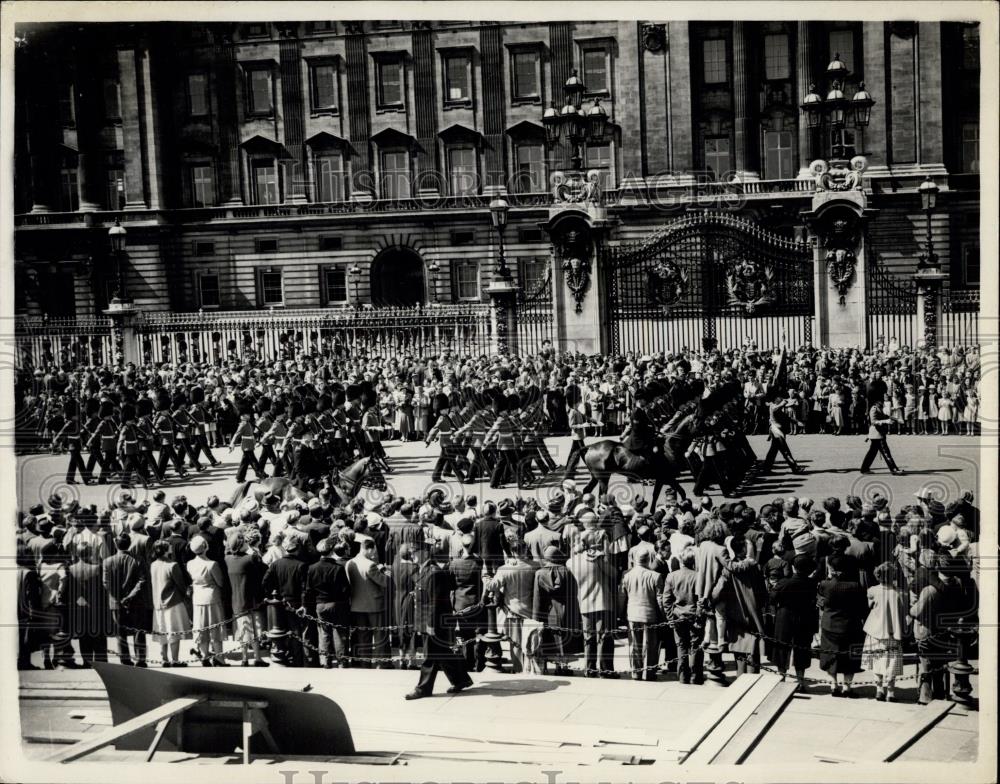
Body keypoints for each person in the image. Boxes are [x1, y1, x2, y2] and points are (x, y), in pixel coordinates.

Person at [406, 540, 474, 700]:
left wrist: (430, 624)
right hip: (427, 620)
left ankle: (423, 689)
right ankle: (462, 680)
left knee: (429, 656)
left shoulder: (434, 572)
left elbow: (435, 602)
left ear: (424, 552)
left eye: (414, 551)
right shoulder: (424, 570)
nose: (412, 554)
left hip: (434, 621)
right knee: (443, 653)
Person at [568, 529, 618, 678]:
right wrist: (602, 557)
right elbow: (613, 574)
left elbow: (571, 558)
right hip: (602, 601)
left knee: (588, 638)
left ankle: (589, 669)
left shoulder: (572, 562)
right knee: (604, 637)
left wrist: (576, 550)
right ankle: (605, 669)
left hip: (584, 602)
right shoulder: (599, 560)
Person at [816, 554, 868, 697]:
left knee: (831, 655)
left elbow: (821, 604)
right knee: (850, 657)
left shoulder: (825, 585)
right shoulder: (856, 586)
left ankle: (833, 684)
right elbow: (863, 608)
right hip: (851, 625)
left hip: (830, 624)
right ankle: (847, 687)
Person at [861, 561, 909, 702]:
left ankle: (879, 690)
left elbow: (870, 606)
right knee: (892, 662)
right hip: (894, 633)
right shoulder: (901, 593)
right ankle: (891, 692)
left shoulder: (872, 591)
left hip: (875, 631)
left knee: (877, 661)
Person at [102, 532, 150, 667]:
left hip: (116, 602)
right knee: (138, 631)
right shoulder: (138, 559)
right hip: (136, 601)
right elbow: (142, 581)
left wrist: (118, 598)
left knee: (120, 632)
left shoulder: (107, 561)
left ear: (115, 545)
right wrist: (129, 597)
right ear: (129, 544)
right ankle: (141, 659)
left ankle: (125, 659)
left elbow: (106, 583)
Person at [771, 554, 817, 689]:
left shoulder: (784, 583)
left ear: (793, 567)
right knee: (801, 648)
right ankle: (801, 681)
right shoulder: (812, 584)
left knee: (781, 648)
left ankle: (781, 678)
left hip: (784, 617)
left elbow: (772, 599)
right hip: (804, 618)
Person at [660, 545, 704, 684]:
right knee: (695, 646)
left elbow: (666, 600)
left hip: (678, 616)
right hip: (694, 616)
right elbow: (701, 600)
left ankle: (683, 677)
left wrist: (669, 617)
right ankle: (695, 675)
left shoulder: (672, 576)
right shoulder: (698, 577)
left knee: (681, 646)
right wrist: (699, 615)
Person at [306, 538, 352, 669]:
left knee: (324, 633)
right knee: (339, 633)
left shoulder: (312, 568)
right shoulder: (337, 568)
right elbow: (346, 589)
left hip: (320, 604)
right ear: (331, 550)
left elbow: (309, 589)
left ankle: (325, 660)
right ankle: (342, 661)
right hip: (337, 603)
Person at [621, 549, 666, 681]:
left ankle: (636, 672)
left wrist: (621, 613)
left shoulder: (626, 575)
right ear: (649, 560)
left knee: (634, 645)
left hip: (632, 614)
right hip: (649, 615)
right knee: (650, 645)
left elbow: (622, 597)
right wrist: (663, 616)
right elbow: (660, 600)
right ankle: (649, 673)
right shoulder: (655, 576)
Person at [225, 529, 268, 667]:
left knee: (243, 630)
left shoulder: (227, 559)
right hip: (251, 598)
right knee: (253, 630)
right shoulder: (251, 558)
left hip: (236, 599)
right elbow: (262, 572)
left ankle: (245, 658)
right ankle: (256, 657)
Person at [347, 538, 391, 668]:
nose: (373, 554)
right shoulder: (370, 565)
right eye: (373, 551)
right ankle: (381, 663)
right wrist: (385, 572)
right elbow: (384, 582)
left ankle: (364, 662)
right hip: (374, 605)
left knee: (363, 635)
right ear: (369, 549)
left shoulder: (350, 562)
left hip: (356, 605)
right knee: (379, 635)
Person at [187, 535, 228, 667]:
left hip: (197, 598)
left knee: (201, 628)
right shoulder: (212, 564)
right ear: (205, 547)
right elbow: (220, 582)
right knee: (215, 628)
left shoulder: (190, 564)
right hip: (212, 597)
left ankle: (204, 656)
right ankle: (219, 658)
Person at [149, 539, 192, 667]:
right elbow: (181, 584)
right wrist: (186, 595)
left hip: (157, 603)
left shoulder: (153, 565)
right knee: (174, 632)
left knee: (162, 631)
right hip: (173, 602)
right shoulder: (172, 565)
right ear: (165, 549)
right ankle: (175, 659)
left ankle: (165, 659)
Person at [759, 389, 804, 474]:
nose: (781, 398)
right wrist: (782, 403)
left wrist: (797, 422)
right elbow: (775, 409)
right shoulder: (772, 406)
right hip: (776, 431)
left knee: (773, 451)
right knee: (785, 450)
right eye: (779, 397)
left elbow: (787, 417)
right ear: (775, 398)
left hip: (778, 431)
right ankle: (795, 468)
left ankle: (766, 469)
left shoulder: (778, 408)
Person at [860, 395, 903, 475]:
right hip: (876, 434)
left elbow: (885, 416)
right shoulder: (874, 408)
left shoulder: (879, 407)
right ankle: (894, 469)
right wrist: (885, 421)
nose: (883, 400)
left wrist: (896, 419)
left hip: (877, 434)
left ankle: (864, 469)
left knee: (872, 453)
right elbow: (873, 421)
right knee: (886, 451)